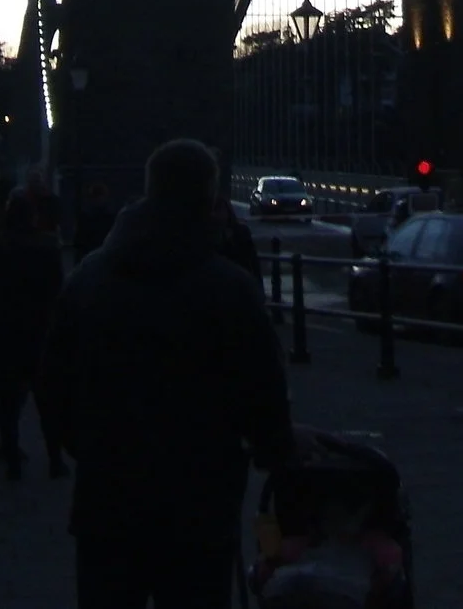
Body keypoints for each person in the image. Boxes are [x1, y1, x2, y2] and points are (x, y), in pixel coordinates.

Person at [39, 139, 293, 609]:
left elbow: (52, 381)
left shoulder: (88, 280)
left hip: (106, 504)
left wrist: (87, 446)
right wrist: (272, 451)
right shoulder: (229, 288)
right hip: (200, 507)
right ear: (209, 197)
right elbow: (264, 393)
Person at [0, 190, 65, 479]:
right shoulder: (48, 246)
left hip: (5, 330)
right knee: (47, 401)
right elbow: (58, 288)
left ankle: (13, 459)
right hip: (40, 330)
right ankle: (55, 459)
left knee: (8, 402)